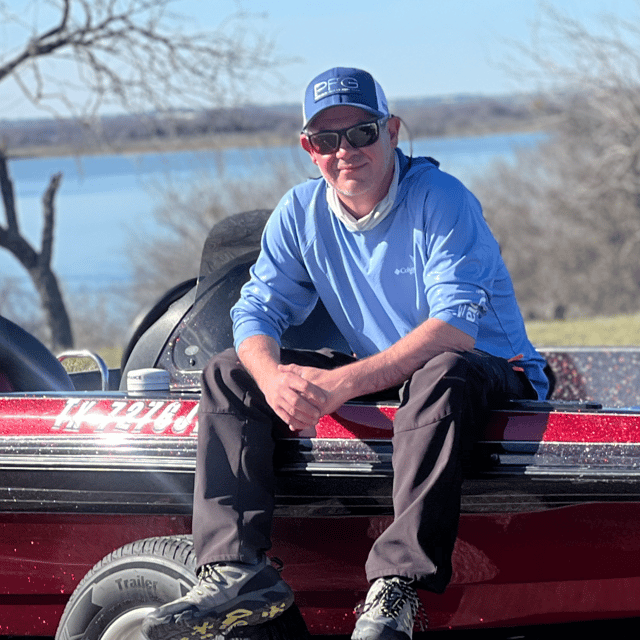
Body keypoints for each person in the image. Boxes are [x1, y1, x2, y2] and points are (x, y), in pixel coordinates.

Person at [143, 67, 549, 640]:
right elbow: (255, 311)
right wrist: (272, 376)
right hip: (395, 374)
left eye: (361, 133)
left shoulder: (443, 199)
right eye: (326, 139)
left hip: (489, 372)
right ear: (309, 149)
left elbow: (455, 329)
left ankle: (396, 588)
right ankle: (237, 569)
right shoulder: (300, 211)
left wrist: (341, 386)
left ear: (393, 132)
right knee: (231, 374)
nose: (345, 151)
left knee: (444, 371)